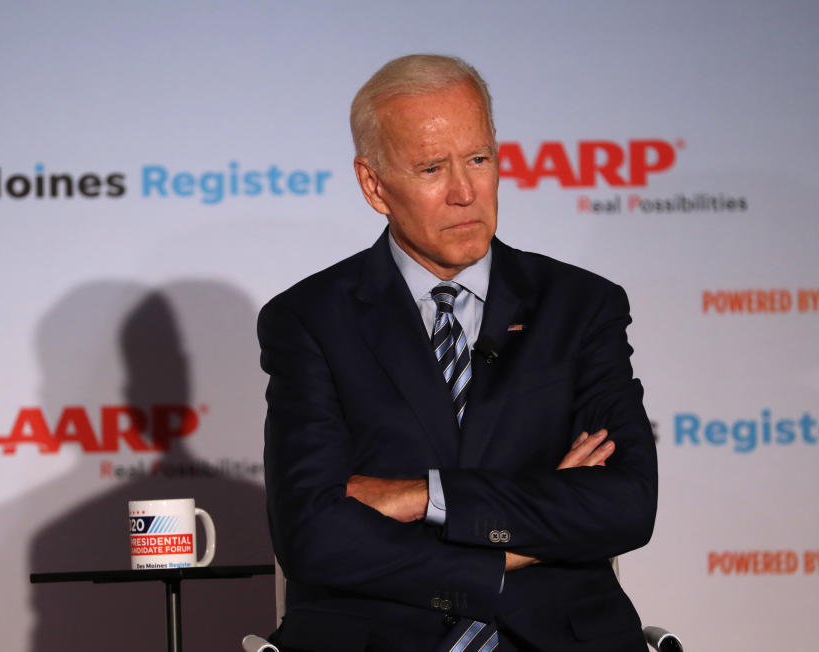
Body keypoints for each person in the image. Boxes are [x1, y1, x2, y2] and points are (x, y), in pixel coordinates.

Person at [258, 54, 657, 652]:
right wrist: (510, 550)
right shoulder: (310, 320)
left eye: (478, 159)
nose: (465, 192)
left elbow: (625, 505)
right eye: (430, 169)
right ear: (374, 185)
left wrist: (424, 496)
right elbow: (314, 536)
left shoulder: (581, 306)